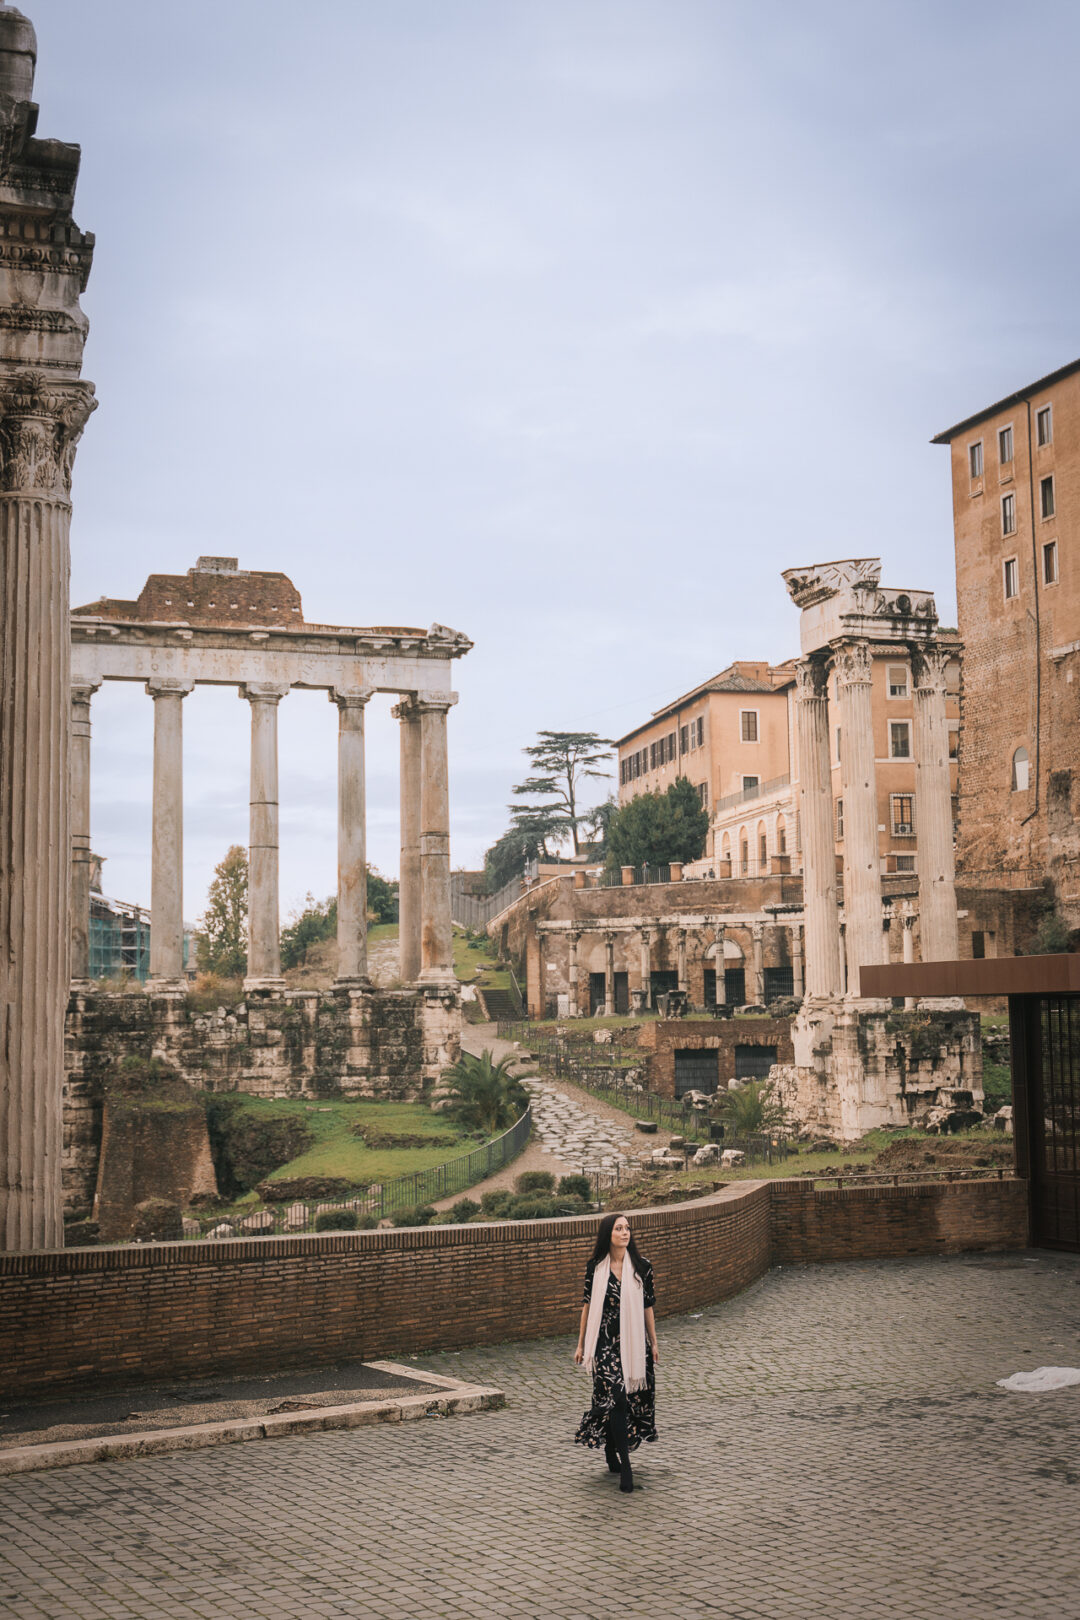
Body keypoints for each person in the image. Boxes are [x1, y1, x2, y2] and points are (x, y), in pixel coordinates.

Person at [573, 1212, 658, 1493]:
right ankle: (627, 1468)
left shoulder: (642, 1268)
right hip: (604, 1342)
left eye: (627, 1228)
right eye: (619, 1228)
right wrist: (581, 1343)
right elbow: (587, 1307)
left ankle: (611, 1448)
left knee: (625, 1401)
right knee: (618, 1397)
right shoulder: (595, 1268)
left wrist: (654, 1342)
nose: (625, 1233)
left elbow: (648, 1307)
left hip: (633, 1343)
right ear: (608, 1234)